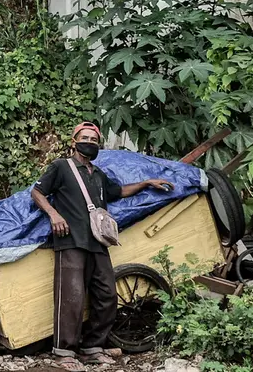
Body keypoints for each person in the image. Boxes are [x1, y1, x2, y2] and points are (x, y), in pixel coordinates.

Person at [30, 123, 174, 370]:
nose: (90, 142)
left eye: (94, 139)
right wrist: (54, 215)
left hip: (97, 242)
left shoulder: (97, 174)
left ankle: (92, 348)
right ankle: (64, 352)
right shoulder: (61, 167)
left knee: (107, 294)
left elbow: (118, 192)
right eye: (84, 138)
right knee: (71, 297)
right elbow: (37, 192)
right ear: (73, 142)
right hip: (71, 241)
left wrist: (147, 183)